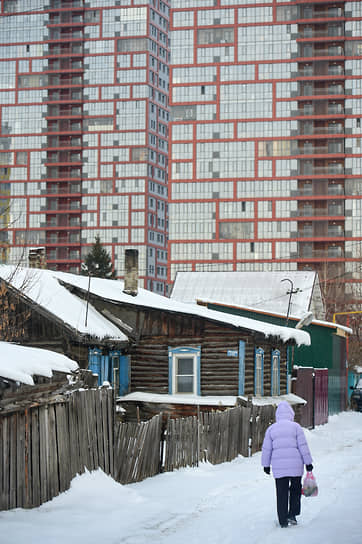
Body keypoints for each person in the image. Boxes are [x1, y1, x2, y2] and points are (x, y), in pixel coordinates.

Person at [261, 400, 313, 528]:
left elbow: (267, 449)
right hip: (296, 467)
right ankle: (292, 515)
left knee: (281, 492)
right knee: (295, 490)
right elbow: (303, 446)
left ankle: (283, 520)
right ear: (291, 414)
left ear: (278, 415)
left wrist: (266, 465)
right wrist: (308, 463)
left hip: (279, 468)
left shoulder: (271, 429)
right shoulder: (296, 427)